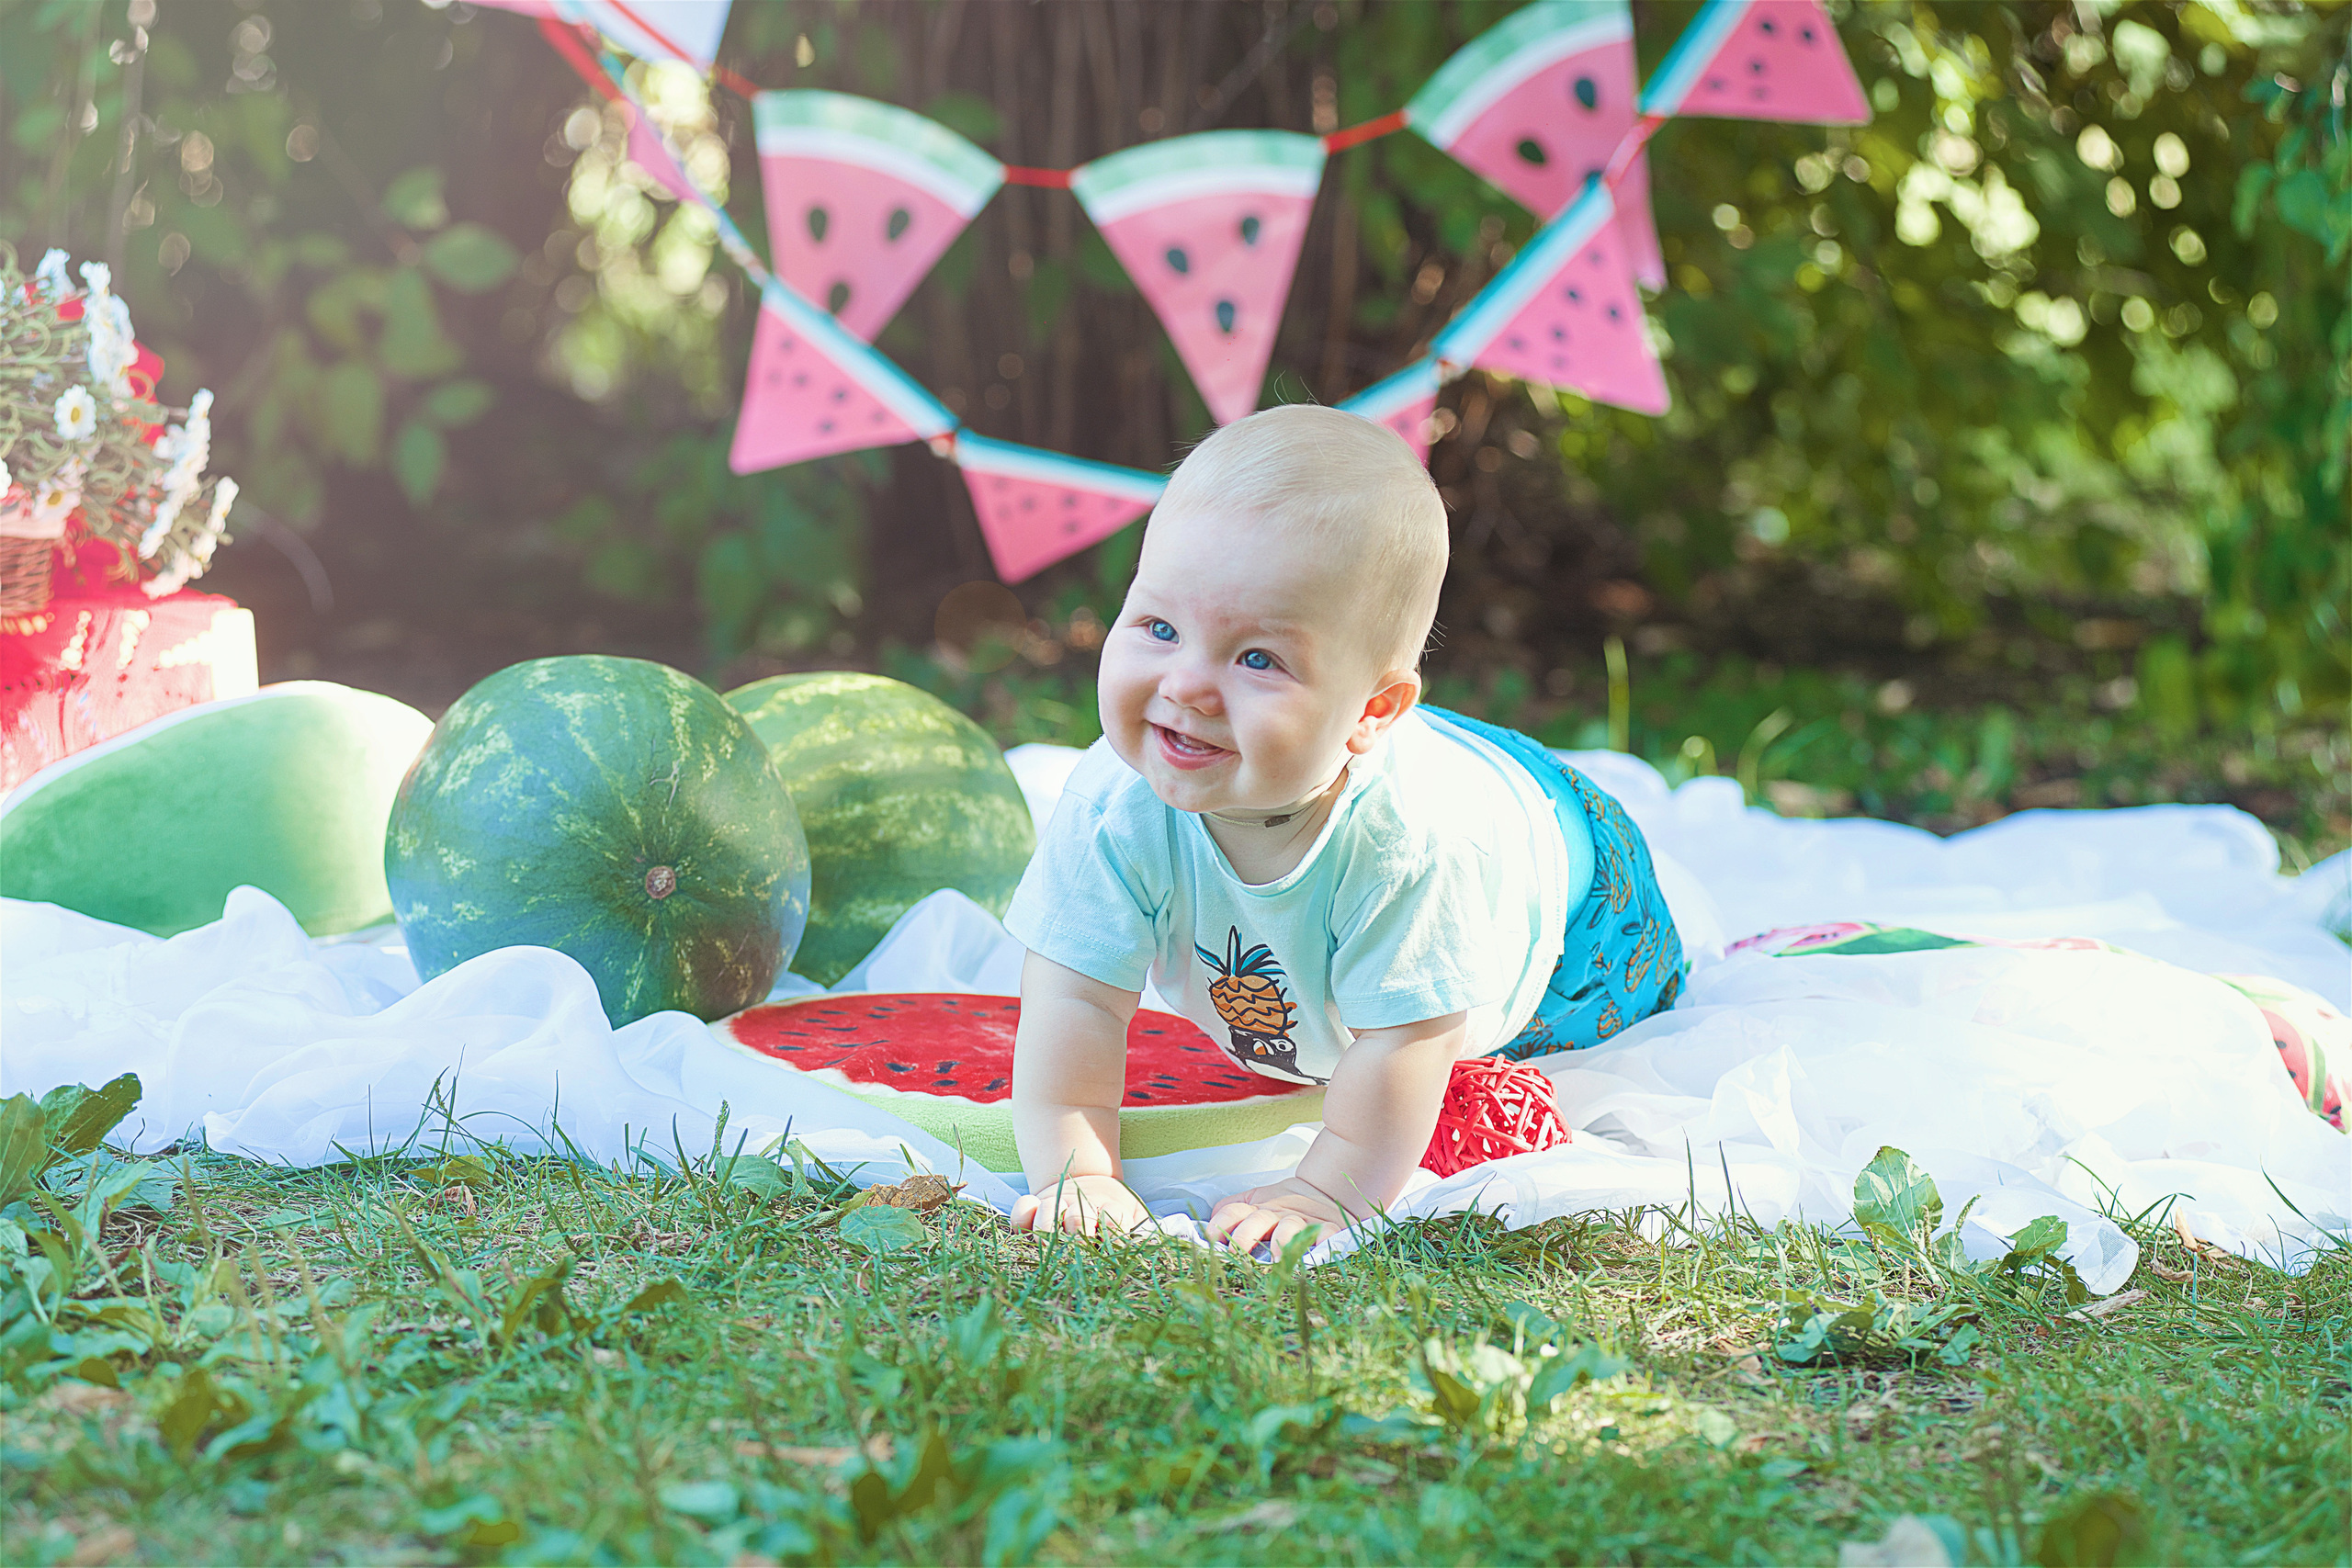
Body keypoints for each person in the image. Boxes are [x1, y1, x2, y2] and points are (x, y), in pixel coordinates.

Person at [1002, 403, 1681, 1254]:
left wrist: (1328, 1189)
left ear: (1372, 710)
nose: (1187, 686)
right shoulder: (1113, 803)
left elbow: (1411, 1037)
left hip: (1576, 890)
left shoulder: (1412, 848)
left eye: (1258, 659)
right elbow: (1075, 998)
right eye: (1160, 627)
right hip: (1403, 759)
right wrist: (1080, 1172)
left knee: (1604, 1020)